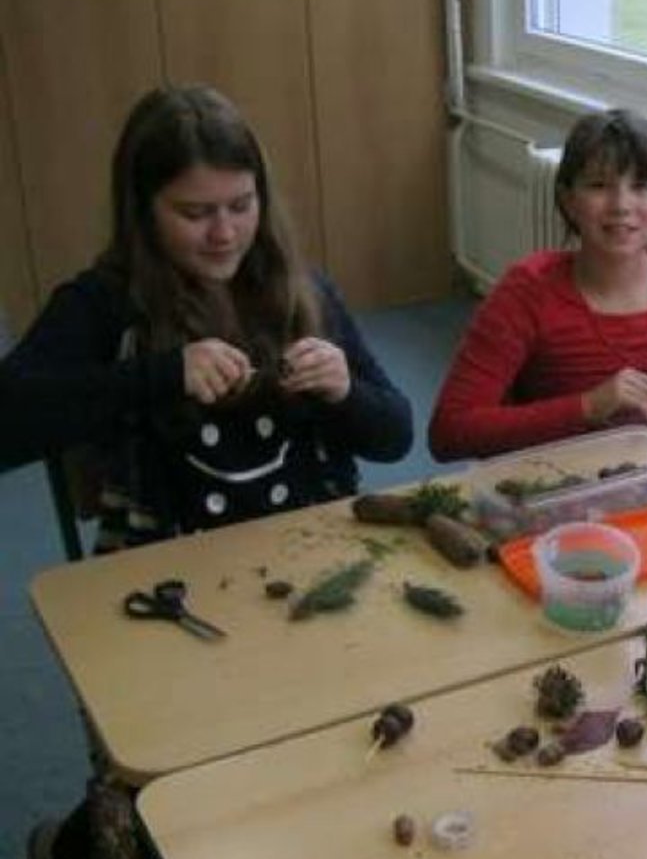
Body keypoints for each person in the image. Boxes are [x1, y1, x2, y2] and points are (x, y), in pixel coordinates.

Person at [0, 85, 412, 551]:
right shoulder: (104, 302)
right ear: (143, 212)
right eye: (194, 213)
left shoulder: (304, 292)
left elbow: (395, 438)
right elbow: (9, 424)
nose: (225, 233)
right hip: (166, 562)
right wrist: (163, 374)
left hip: (310, 549)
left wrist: (346, 392)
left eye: (241, 205)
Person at [428, 108, 647, 460]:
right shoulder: (527, 290)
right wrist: (588, 406)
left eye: (641, 187)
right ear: (568, 200)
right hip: (561, 481)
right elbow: (449, 430)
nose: (621, 205)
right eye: (599, 186)